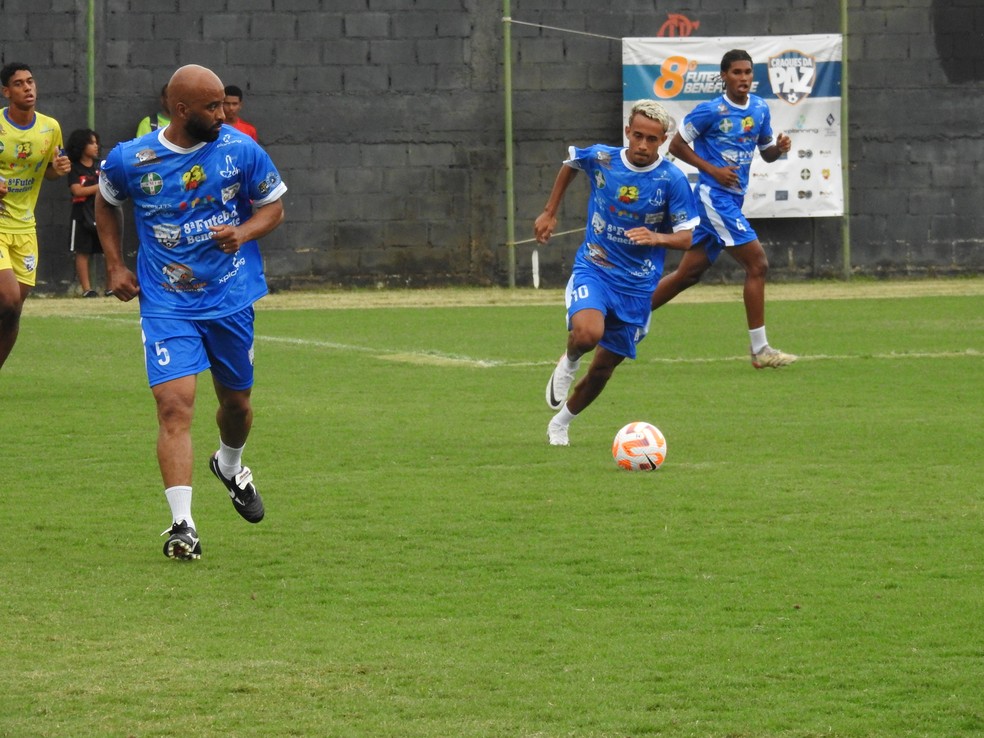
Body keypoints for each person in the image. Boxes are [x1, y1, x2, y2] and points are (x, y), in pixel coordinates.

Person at [96, 64, 287, 560]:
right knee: (175, 406)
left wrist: (242, 233)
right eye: (212, 106)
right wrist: (115, 265)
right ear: (180, 110)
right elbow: (105, 203)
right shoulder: (130, 159)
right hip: (165, 301)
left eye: (223, 103)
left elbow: (273, 207)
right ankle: (183, 525)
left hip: (229, 297)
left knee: (237, 406)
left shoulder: (240, 149)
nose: (223, 113)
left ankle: (229, 463)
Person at [535, 100, 699, 446]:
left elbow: (686, 237)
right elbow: (570, 164)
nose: (642, 145)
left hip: (637, 286)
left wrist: (657, 237)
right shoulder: (603, 158)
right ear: (627, 131)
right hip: (594, 267)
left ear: (663, 140)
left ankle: (561, 423)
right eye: (637, 135)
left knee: (603, 370)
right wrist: (549, 212)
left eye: (651, 139)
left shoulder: (672, 180)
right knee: (587, 334)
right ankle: (569, 360)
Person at [653, 49, 797, 369]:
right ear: (724, 76)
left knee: (687, 275)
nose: (743, 78)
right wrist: (713, 170)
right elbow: (675, 146)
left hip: (731, 200)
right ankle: (760, 349)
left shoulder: (759, 108)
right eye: (736, 73)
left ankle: (625, 318)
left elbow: (766, 153)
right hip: (712, 197)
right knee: (757, 264)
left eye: (747, 72)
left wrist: (779, 149)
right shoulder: (711, 110)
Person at [0, 62, 71, 371]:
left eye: (30, 81)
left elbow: (50, 172)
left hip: (25, 227)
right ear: (6, 92)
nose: (28, 87)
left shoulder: (50, 127)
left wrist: (58, 170)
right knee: (8, 298)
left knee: (12, 312)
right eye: (19, 84)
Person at [65, 128, 105, 297]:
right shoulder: (74, 168)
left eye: (97, 143)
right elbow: (77, 191)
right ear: (81, 145)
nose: (96, 146)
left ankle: (111, 287)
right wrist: (99, 187)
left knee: (108, 251)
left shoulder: (100, 167)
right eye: (91, 143)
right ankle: (87, 289)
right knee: (83, 252)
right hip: (81, 215)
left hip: (101, 214)